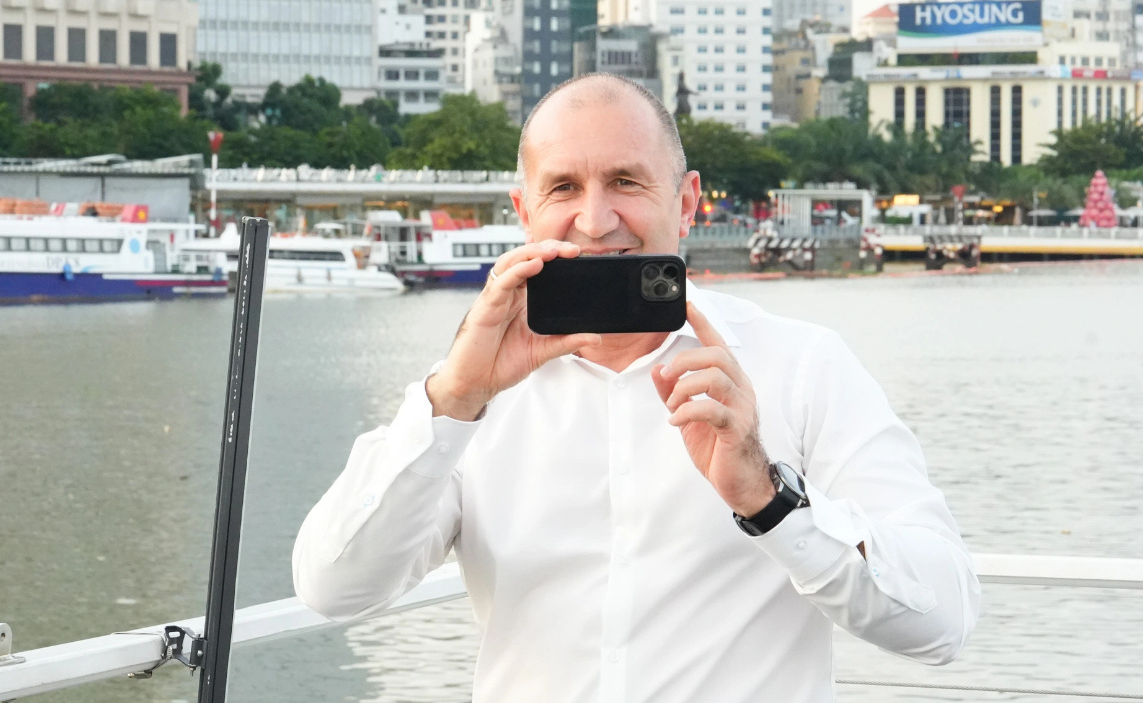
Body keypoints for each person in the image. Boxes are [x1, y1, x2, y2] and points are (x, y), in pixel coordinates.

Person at [293, 73, 979, 702]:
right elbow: (334, 588)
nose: (595, 220)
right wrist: (452, 402)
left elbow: (943, 620)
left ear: (687, 201)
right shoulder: (471, 390)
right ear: (523, 208)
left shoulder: (802, 365)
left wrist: (769, 500)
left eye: (626, 180)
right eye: (563, 187)